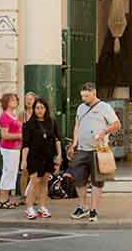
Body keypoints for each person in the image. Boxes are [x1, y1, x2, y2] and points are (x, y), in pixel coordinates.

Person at [69, 83, 120, 223]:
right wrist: (74, 143)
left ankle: (94, 210)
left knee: (97, 181)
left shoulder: (105, 107)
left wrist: (104, 131)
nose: (83, 99)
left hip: (98, 150)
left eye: (86, 96)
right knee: (79, 180)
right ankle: (82, 206)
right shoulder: (80, 108)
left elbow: (117, 124)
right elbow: (77, 125)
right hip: (82, 149)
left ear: (94, 93)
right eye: (82, 96)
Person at [21, 98, 61, 220]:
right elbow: (25, 144)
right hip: (34, 156)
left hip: (48, 156)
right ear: (34, 109)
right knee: (34, 181)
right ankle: (29, 207)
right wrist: (24, 160)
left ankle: (42, 206)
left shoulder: (51, 122)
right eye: (37, 108)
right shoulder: (29, 124)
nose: (39, 110)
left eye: (42, 108)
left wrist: (59, 155)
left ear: (46, 109)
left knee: (44, 182)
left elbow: (57, 140)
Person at [0, 93, 23, 210]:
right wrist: (21, 135)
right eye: (11, 100)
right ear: (6, 102)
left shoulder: (13, 115)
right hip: (8, 148)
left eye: (15, 99)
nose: (14, 101)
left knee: (11, 173)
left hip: (15, 149)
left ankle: (6, 199)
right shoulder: (4, 116)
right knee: (8, 172)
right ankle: (3, 200)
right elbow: (4, 135)